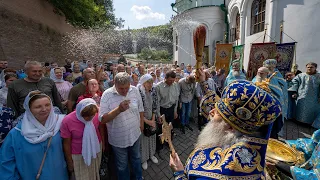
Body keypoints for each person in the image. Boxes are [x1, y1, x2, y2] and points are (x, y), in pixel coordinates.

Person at [169, 69, 282, 179]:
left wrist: (179, 174)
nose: (211, 111)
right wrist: (203, 82)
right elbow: (217, 107)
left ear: (230, 128)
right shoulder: (244, 131)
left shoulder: (221, 172)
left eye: (218, 113)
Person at [0, 91, 68, 179]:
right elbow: (6, 162)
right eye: (38, 107)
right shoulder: (18, 133)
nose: (44, 109)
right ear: (29, 109)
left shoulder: (61, 124)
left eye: (47, 105)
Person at [99, 72, 144, 180]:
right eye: (121, 89)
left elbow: (141, 109)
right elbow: (102, 119)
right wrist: (118, 110)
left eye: (126, 88)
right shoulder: (107, 94)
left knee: (136, 158)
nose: (124, 91)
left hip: (135, 134)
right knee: (122, 165)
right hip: (118, 139)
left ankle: (138, 177)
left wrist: (141, 123)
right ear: (114, 84)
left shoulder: (134, 90)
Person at [61, 98, 103, 180]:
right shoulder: (67, 121)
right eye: (86, 116)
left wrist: (103, 145)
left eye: (92, 115)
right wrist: (69, 162)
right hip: (78, 155)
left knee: (93, 174)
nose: (90, 118)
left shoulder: (97, 114)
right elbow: (66, 143)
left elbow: (100, 129)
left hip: (95, 151)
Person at [289, 62, 320, 128]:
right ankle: (298, 121)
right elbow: (294, 83)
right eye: (308, 67)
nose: (309, 68)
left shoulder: (319, 76)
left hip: (315, 98)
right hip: (302, 96)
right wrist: (294, 92)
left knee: (313, 110)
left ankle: (310, 124)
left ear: (315, 68)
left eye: (311, 67)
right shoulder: (301, 75)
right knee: (300, 109)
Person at [137, 74, 159, 170]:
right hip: (142, 119)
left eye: (151, 82)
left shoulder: (154, 91)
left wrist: (153, 119)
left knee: (152, 136)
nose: (150, 84)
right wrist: (147, 121)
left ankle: (152, 155)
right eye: (148, 82)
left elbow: (155, 105)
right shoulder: (138, 92)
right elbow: (137, 110)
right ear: (143, 83)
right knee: (144, 140)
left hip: (151, 118)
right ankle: (144, 159)